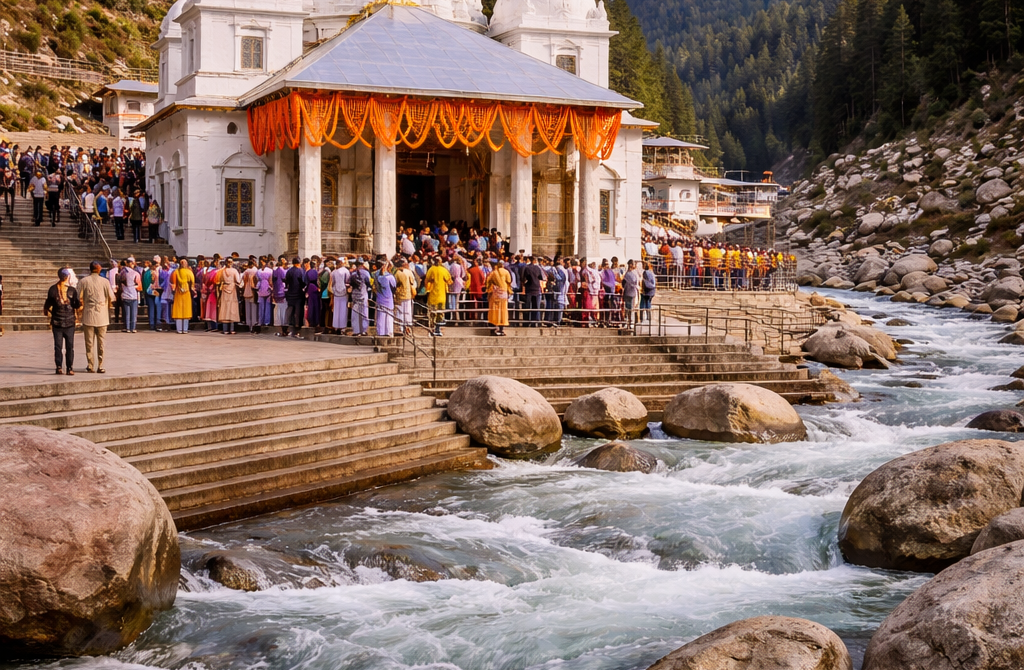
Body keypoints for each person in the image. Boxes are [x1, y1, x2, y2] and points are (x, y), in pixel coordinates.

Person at [78, 261, 114, 373]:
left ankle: (90, 364)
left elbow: (79, 297)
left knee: (89, 342)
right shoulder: (105, 281)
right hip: (102, 315)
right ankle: (101, 365)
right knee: (101, 342)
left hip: (89, 314)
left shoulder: (83, 281)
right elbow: (111, 298)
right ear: (98, 269)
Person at [43, 268, 81, 375]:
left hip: (57, 322)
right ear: (67, 277)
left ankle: (59, 367)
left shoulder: (53, 289)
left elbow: (47, 305)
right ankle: (70, 368)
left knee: (58, 346)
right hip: (68, 322)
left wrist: (48, 312)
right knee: (70, 346)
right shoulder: (72, 290)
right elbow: (76, 304)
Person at [424, 255, 452, 336]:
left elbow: (427, 279)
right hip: (441, 296)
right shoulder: (444, 270)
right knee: (440, 313)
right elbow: (449, 281)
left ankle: (432, 330)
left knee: (432, 314)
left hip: (433, 296)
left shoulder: (431, 269)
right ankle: (438, 329)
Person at [485, 259, 512, 336]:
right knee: (503, 311)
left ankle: (493, 329)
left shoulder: (493, 273)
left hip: (495, 293)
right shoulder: (506, 272)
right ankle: (501, 329)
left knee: (494, 311)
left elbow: (488, 282)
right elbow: (509, 281)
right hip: (503, 293)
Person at [216, 257, 242, 334]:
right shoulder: (234, 271)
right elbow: (238, 280)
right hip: (232, 289)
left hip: (224, 289)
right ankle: (232, 329)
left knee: (224, 308)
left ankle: (225, 329)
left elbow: (218, 281)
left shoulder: (221, 271)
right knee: (232, 308)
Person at [282, 257, 306, 338]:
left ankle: (285, 326)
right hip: (298, 294)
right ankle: (297, 328)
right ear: (299, 263)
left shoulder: (289, 271)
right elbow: (303, 282)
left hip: (290, 293)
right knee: (298, 312)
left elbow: (286, 281)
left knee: (289, 310)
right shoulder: (300, 271)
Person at [171, 258, 196, 333]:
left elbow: (172, 282)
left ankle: (179, 329)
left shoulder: (176, 272)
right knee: (186, 310)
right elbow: (192, 282)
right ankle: (184, 329)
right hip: (186, 291)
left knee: (179, 309)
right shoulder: (189, 272)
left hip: (179, 292)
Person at [393, 258, 417, 334]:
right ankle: (407, 326)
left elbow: (394, 284)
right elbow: (413, 282)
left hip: (399, 295)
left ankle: (400, 327)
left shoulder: (396, 273)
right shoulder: (409, 272)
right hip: (408, 294)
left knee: (400, 311)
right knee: (407, 311)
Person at [374, 259, 397, 337]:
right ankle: (389, 332)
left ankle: (380, 332)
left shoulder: (376, 275)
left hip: (380, 299)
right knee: (389, 317)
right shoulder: (390, 277)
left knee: (380, 317)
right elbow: (394, 287)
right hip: (388, 299)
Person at [348, 259, 371, 336]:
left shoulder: (352, 273)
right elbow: (369, 284)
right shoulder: (366, 273)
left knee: (355, 313)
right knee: (364, 313)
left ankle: (356, 330)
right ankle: (363, 330)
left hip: (355, 295)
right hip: (363, 294)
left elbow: (349, 282)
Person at [521, 256, 546, 326]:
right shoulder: (537, 268)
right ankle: (534, 322)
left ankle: (526, 323)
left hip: (529, 288)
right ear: (535, 261)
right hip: (536, 288)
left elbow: (524, 278)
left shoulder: (527, 268)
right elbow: (541, 277)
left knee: (528, 306)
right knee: (535, 307)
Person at [328, 257, 350, 334]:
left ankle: (336, 326)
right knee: (343, 310)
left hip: (336, 293)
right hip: (344, 293)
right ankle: (343, 328)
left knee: (337, 311)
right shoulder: (346, 271)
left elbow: (332, 283)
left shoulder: (333, 272)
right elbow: (347, 281)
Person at [120, 257, 142, 333]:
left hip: (125, 295)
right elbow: (139, 287)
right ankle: (133, 328)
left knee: (127, 313)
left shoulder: (122, 272)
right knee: (133, 313)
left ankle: (127, 327)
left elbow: (120, 283)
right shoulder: (136, 273)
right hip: (133, 295)